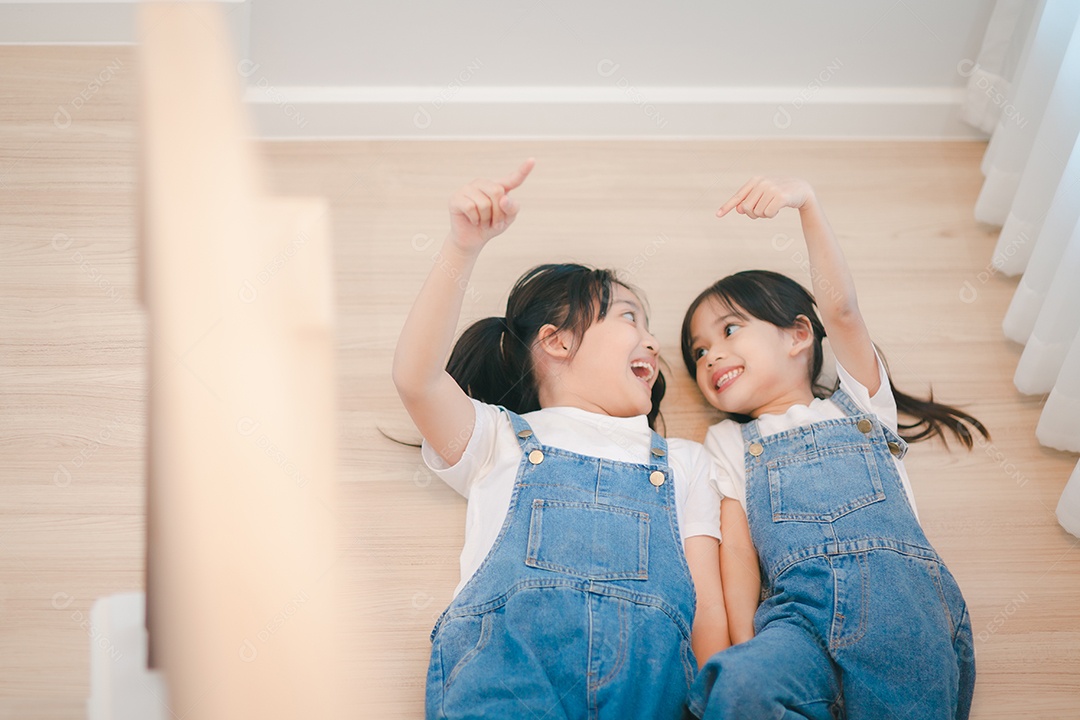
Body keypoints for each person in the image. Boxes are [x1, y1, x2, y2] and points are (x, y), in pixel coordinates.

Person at [393, 158, 727, 719]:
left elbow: (706, 612)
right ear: (557, 342)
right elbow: (416, 379)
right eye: (629, 318)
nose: (651, 342)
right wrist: (462, 246)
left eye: (649, 330)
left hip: (652, 691)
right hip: (507, 679)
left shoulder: (687, 462)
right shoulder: (498, 437)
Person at [680, 177, 987, 720]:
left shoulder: (860, 402)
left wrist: (807, 205)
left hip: (902, 609)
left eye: (729, 330)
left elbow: (841, 310)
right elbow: (737, 554)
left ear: (799, 334)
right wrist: (746, 644)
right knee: (737, 686)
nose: (710, 356)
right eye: (699, 351)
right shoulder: (727, 441)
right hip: (794, 619)